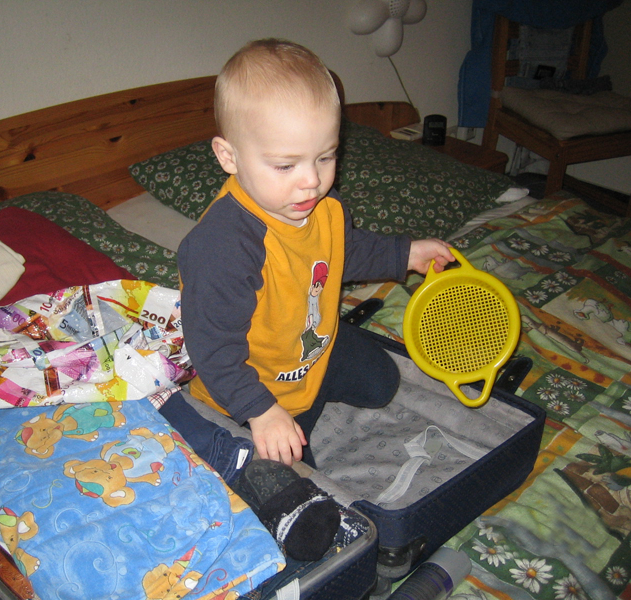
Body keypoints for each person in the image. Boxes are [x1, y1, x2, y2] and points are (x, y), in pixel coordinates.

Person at [178, 38, 454, 468]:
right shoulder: (223, 246)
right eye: (286, 166)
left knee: (383, 383)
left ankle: (321, 369)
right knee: (294, 471)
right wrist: (261, 411)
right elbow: (212, 348)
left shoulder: (323, 207)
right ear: (229, 156)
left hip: (311, 349)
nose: (311, 181)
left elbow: (345, 250)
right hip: (251, 381)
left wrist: (404, 253)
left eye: (325, 157)